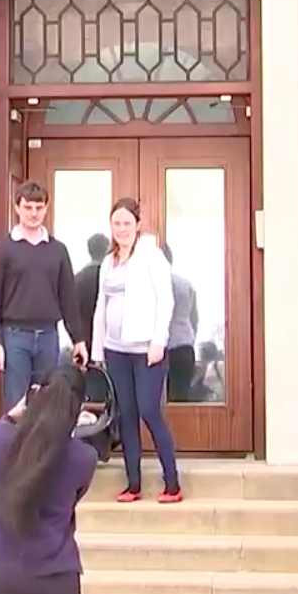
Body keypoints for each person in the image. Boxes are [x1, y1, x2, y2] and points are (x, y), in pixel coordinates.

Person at [0, 364, 98, 594]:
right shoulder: (84, 457)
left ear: (34, 395)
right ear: (78, 407)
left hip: (0, 570)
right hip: (56, 575)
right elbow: (74, 496)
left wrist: (9, 417)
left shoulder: (0, 436)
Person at [91, 197, 181, 503]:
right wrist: (97, 348)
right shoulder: (108, 261)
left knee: (148, 410)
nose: (121, 229)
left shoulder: (151, 256)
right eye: (116, 223)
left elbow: (166, 300)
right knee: (126, 414)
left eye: (127, 223)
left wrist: (159, 340)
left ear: (138, 225)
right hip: (116, 350)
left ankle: (172, 484)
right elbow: (101, 307)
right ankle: (133, 484)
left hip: (146, 350)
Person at [0, 181, 87, 411]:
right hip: (14, 337)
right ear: (17, 208)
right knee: (18, 407)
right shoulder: (3, 249)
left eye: (39, 208)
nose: (33, 213)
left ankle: (44, 449)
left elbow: (68, 297)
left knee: (47, 404)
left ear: (46, 208)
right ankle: (18, 448)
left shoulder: (57, 250)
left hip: (49, 337)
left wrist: (78, 338)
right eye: (28, 207)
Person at [160, 242, 199, 402]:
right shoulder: (185, 284)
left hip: (159, 349)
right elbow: (194, 318)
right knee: (182, 399)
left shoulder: (150, 285)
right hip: (183, 347)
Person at [75, 232, 110, 359]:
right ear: (108, 249)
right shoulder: (113, 277)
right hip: (110, 339)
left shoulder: (78, 278)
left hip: (85, 339)